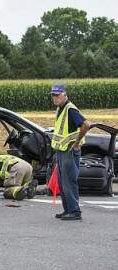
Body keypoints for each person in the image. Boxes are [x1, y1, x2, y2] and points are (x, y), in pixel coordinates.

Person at [50, 84, 90, 221]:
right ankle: (68, 209)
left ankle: (74, 211)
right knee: (62, 182)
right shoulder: (60, 108)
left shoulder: (70, 109)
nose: (55, 98)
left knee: (69, 182)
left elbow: (86, 124)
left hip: (69, 151)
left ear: (64, 94)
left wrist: (77, 142)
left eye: (57, 95)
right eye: (53, 95)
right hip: (62, 150)